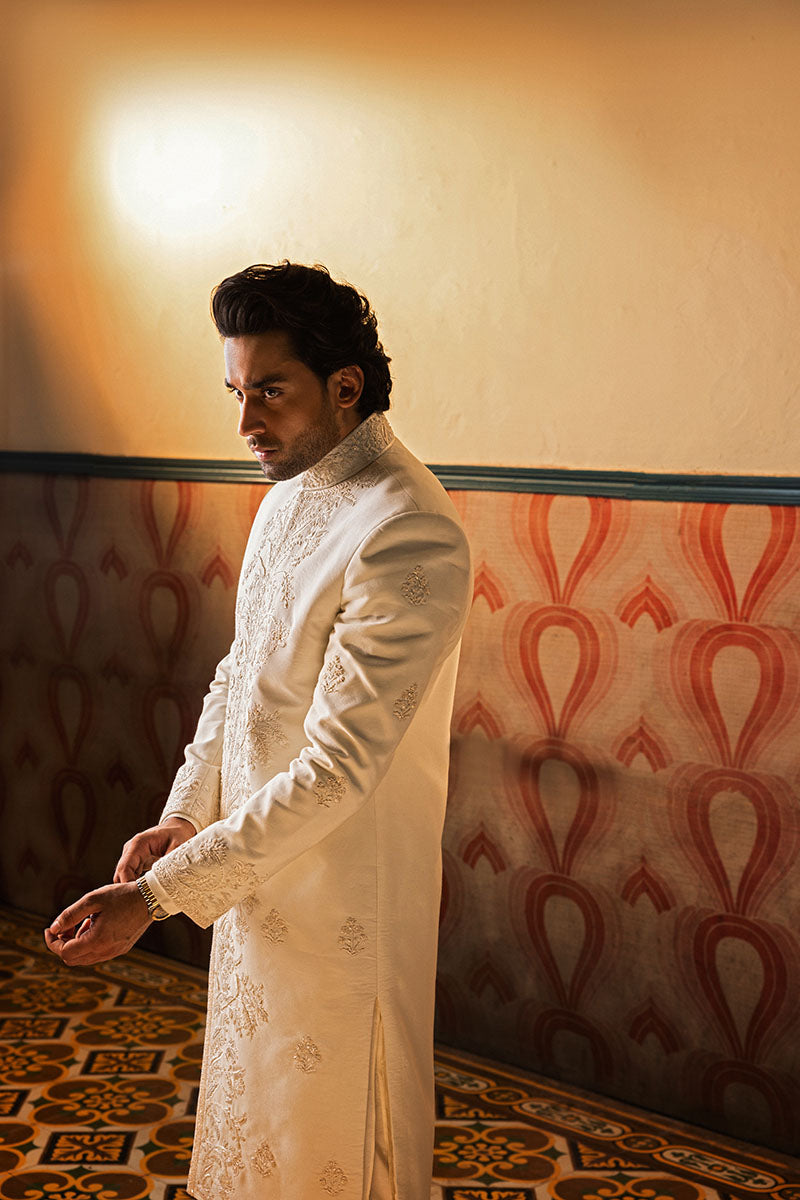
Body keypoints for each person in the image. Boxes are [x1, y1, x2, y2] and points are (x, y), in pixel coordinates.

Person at [44, 261, 473, 1200]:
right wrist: (183, 817)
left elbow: (338, 769)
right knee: (257, 1127)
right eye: (237, 393)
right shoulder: (290, 494)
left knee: (336, 1142)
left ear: (345, 386)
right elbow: (242, 675)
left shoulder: (408, 529)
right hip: (248, 877)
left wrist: (157, 898)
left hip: (342, 901)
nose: (246, 424)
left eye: (270, 392)